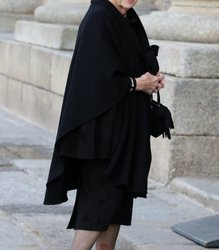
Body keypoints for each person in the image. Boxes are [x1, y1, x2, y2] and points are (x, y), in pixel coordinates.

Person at [43, 0, 165, 249]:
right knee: (96, 210)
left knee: (115, 208)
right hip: (102, 136)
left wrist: (149, 79)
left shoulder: (126, 18)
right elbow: (92, 81)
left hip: (123, 131)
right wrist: (135, 84)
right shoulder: (99, 18)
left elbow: (128, 64)